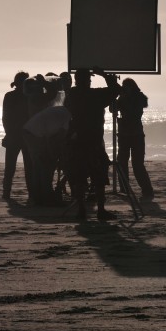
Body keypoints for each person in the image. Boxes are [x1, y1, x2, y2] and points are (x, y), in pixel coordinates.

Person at [65, 67, 120, 220]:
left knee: (80, 177)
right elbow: (116, 89)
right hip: (94, 141)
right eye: (88, 80)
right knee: (99, 178)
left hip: (78, 141)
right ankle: (101, 210)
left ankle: (82, 209)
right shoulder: (95, 95)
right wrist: (104, 75)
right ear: (87, 81)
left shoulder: (72, 95)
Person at [22, 78, 70, 206]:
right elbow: (57, 137)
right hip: (34, 134)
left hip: (31, 131)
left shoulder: (60, 111)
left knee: (39, 165)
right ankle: (44, 196)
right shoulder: (66, 117)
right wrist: (53, 152)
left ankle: (39, 196)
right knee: (44, 164)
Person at [115, 78, 154, 200]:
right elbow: (113, 110)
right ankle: (125, 188)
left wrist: (123, 98)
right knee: (122, 162)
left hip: (134, 134)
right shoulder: (124, 98)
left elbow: (134, 112)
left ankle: (146, 189)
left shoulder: (137, 98)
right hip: (126, 134)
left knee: (137, 164)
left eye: (125, 86)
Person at [1, 71, 31, 199]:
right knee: (28, 167)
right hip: (24, 135)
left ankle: (6, 192)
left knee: (11, 167)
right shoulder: (28, 96)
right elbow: (6, 117)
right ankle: (31, 193)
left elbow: (5, 117)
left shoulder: (10, 96)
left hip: (16, 134)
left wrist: (8, 132)